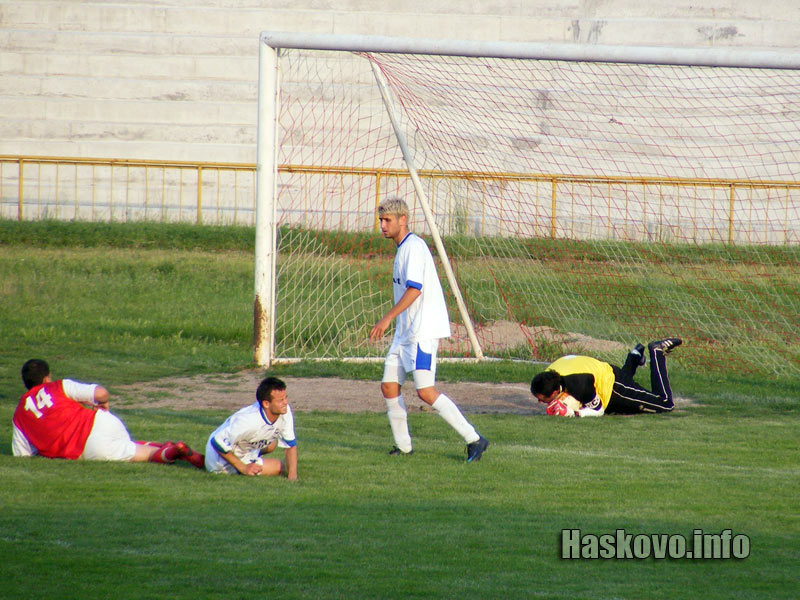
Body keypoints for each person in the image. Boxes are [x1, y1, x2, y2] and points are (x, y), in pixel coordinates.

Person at [369, 196, 489, 462]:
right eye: (381, 220)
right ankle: (403, 447)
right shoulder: (403, 248)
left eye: (387, 220)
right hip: (405, 334)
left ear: (403, 219)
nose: (383, 226)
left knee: (425, 391)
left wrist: (386, 319)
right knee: (389, 387)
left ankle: (474, 439)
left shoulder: (414, 247)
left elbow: (415, 290)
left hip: (421, 333)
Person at [12, 358, 204, 468]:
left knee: (147, 455)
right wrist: (102, 403)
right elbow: (101, 393)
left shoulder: (19, 416)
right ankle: (174, 448)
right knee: (129, 445)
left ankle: (172, 451)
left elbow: (23, 456)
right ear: (47, 377)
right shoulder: (57, 386)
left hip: (87, 449)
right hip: (100, 421)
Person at [530, 338, 683, 416]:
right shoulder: (549, 375)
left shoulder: (579, 385)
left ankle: (657, 352)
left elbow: (598, 410)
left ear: (555, 392)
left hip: (613, 386)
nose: (539, 402)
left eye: (543, 399)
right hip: (600, 371)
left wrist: (574, 413)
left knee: (665, 404)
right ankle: (634, 356)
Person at [204, 376, 298, 479]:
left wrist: (292, 476)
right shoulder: (248, 420)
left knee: (271, 445)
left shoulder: (284, 411)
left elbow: (290, 445)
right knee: (279, 467)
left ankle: (195, 457)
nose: (285, 402)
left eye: (285, 398)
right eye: (280, 400)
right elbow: (217, 442)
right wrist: (243, 468)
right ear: (266, 404)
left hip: (242, 449)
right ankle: (203, 461)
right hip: (219, 460)